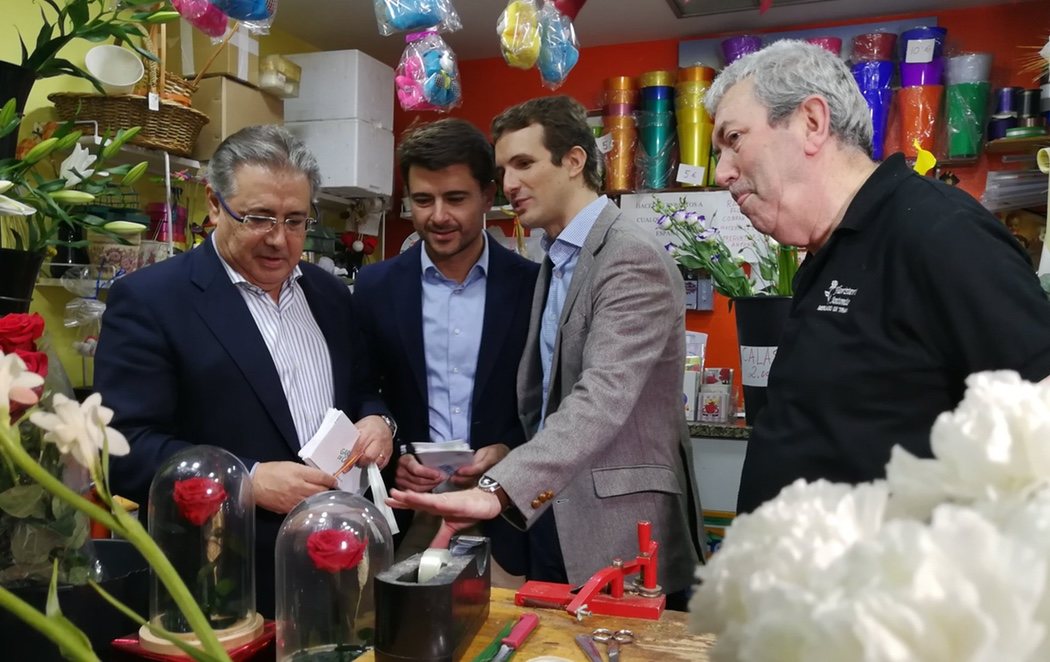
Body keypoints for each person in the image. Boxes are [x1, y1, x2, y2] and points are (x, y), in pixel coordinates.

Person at [704, 40, 1050, 514]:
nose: (722, 172)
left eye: (734, 138)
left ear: (811, 122)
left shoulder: (937, 231)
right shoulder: (828, 252)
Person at [388, 96, 705, 607]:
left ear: (575, 161)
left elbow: (600, 398)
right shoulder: (556, 260)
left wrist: (496, 489)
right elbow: (544, 403)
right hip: (553, 513)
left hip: (620, 528)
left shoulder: (629, 257)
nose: (509, 184)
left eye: (524, 164)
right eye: (503, 169)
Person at [94, 125, 396, 616]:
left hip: (338, 560)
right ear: (214, 204)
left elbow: (362, 390)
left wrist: (380, 422)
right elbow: (122, 448)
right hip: (221, 577)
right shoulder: (153, 301)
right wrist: (245, 481)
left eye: (297, 220)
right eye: (259, 218)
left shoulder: (330, 295)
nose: (280, 239)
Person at [354, 118, 539, 575]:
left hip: (508, 511)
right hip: (411, 512)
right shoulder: (375, 285)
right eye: (422, 200)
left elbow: (549, 394)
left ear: (487, 196)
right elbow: (362, 387)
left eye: (455, 198)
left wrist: (509, 450)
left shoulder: (532, 285)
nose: (438, 216)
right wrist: (396, 453)